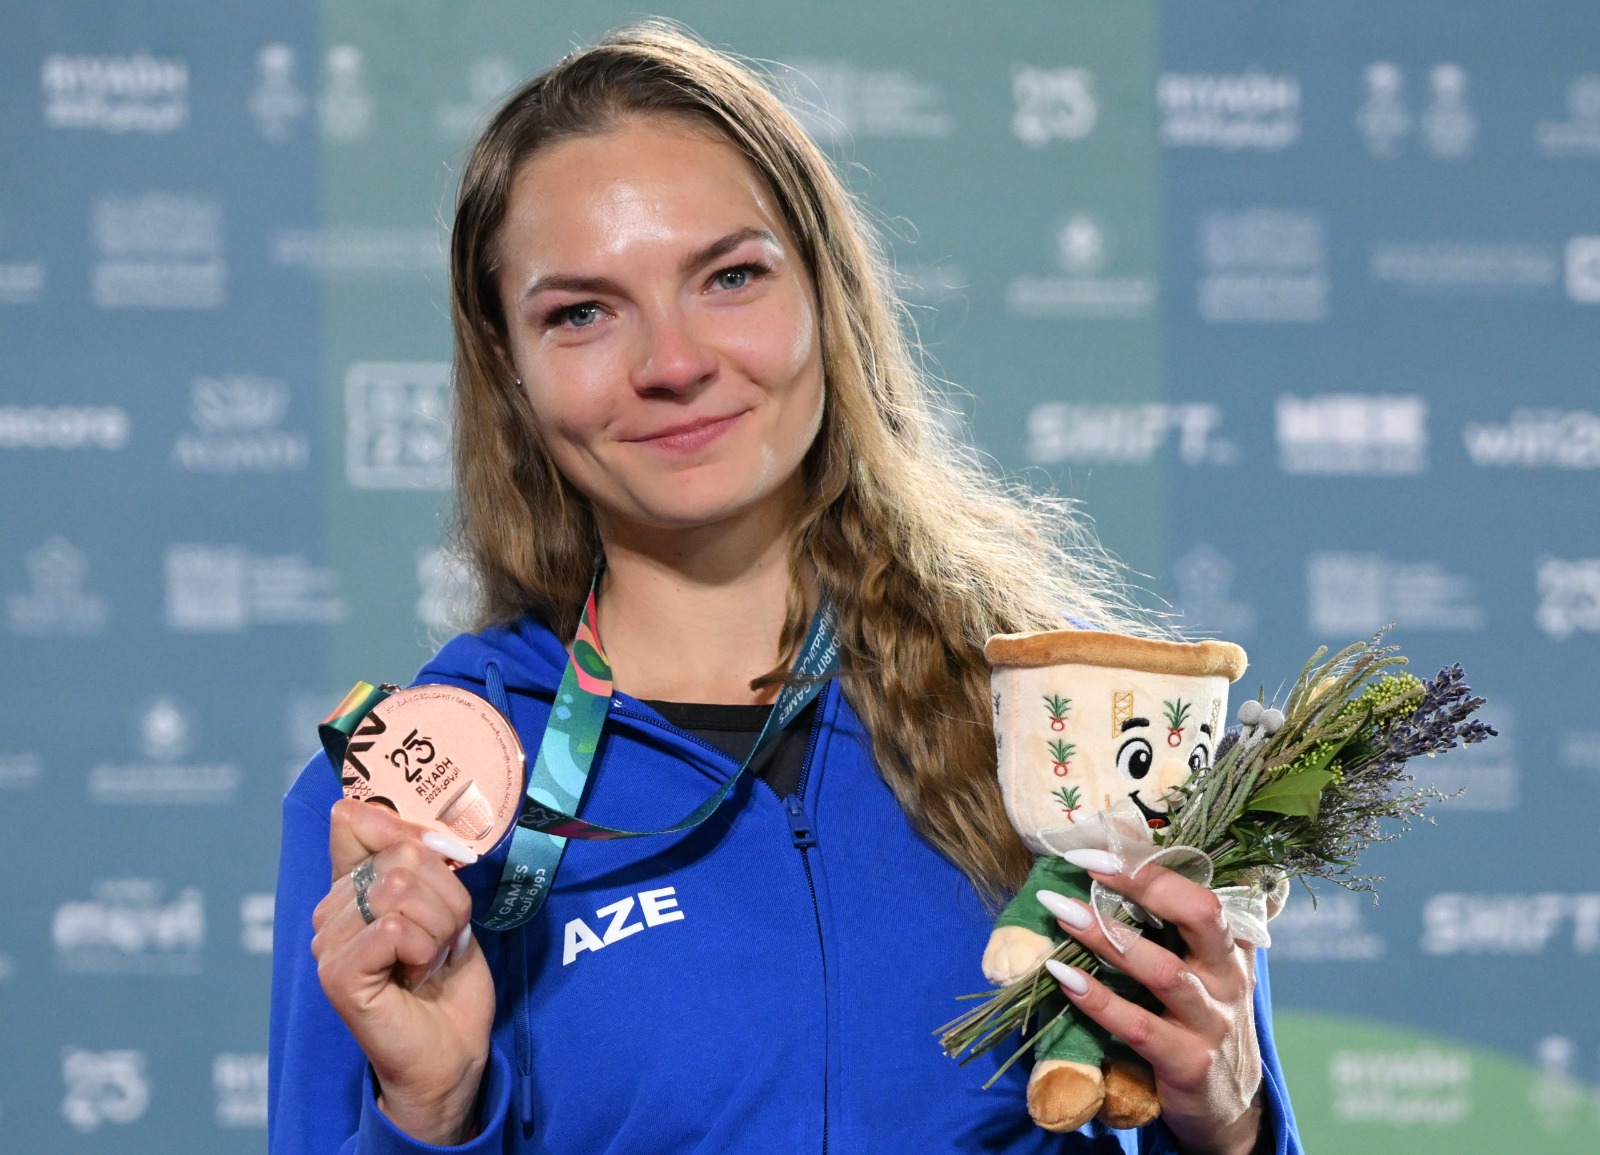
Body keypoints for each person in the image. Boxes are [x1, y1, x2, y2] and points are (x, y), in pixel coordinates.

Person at [269, 23, 1302, 1155]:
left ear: (826, 294)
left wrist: (1229, 1122)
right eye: (581, 313)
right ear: (508, 369)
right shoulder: (422, 798)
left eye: (729, 277)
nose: (672, 362)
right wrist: (426, 1113)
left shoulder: (1058, 729)